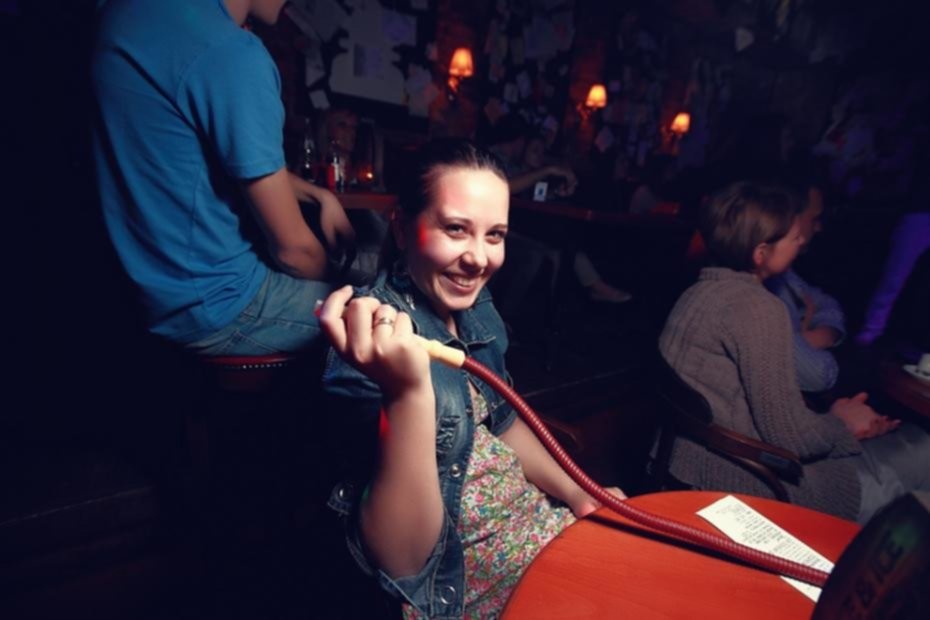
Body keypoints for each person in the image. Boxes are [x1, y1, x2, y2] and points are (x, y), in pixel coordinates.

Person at [318, 139, 624, 618]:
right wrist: (408, 393)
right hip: (466, 585)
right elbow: (403, 564)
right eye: (457, 229)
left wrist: (578, 492)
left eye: (494, 235)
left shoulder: (476, 305)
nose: (479, 259)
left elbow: (502, 419)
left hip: (537, 528)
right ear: (401, 227)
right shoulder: (370, 341)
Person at [92, 0, 355, 356]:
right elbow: (294, 252)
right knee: (391, 317)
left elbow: (193, 156)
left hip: (138, 288)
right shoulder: (231, 53)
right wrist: (343, 284)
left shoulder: (124, 12)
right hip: (216, 304)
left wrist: (318, 195)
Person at [659, 181, 930, 524]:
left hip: (689, 463)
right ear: (761, 253)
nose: (802, 240)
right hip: (751, 484)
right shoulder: (758, 307)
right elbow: (791, 437)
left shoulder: (697, 293)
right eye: (793, 236)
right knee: (924, 450)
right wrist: (843, 423)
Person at [764, 186, 846, 393]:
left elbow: (825, 303)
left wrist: (823, 333)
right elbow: (820, 374)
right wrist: (801, 342)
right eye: (814, 218)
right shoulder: (759, 302)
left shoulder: (783, 276)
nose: (818, 228)